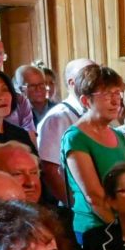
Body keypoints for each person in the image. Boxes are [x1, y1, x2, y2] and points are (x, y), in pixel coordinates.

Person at [61, 65, 125, 236]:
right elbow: (94, 197)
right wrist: (121, 232)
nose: (115, 101)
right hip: (94, 228)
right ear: (85, 101)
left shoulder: (118, 135)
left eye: (117, 93)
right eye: (107, 95)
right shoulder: (75, 138)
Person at [37, 58, 96, 206]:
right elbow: (50, 169)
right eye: (90, 75)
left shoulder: (96, 112)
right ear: (72, 83)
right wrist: (75, 205)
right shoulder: (58, 118)